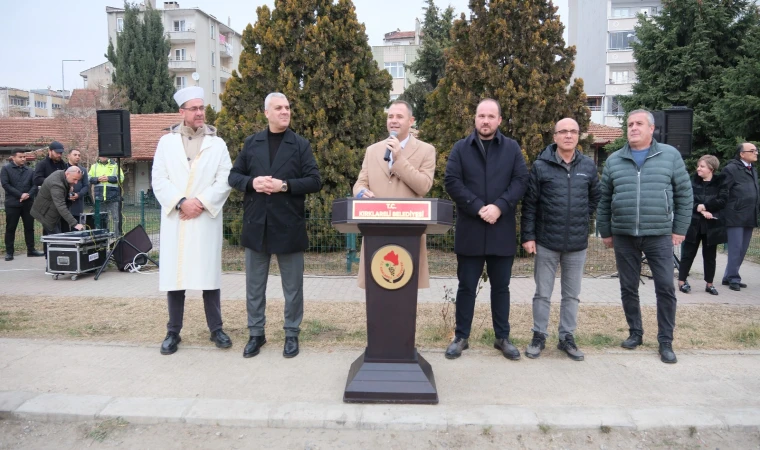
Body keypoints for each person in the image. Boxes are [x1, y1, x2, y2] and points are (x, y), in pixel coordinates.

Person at [229, 92, 322, 359]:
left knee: (293, 288)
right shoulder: (252, 143)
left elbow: (315, 180)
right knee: (254, 286)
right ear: (266, 113)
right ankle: (256, 333)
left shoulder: (300, 144)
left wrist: (285, 186)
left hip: (288, 226)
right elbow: (234, 176)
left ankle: (291, 334)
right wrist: (252, 183)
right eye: (279, 108)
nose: (285, 112)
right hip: (256, 225)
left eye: (288, 107)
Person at [597, 109, 692, 364]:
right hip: (624, 235)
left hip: (658, 234)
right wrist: (605, 231)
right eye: (629, 124)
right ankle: (635, 333)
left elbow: (684, 193)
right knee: (628, 287)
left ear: (652, 129)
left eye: (639, 123)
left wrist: (680, 228)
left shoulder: (670, 156)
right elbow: (604, 199)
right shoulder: (615, 160)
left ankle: (665, 341)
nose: (633, 128)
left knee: (664, 287)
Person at [443, 98, 529, 360]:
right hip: (471, 229)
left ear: (499, 120)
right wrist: (479, 206)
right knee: (466, 286)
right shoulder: (461, 148)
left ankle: (502, 337)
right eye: (481, 115)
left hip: (501, 230)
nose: (486, 121)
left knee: (501, 287)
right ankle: (461, 337)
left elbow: (521, 180)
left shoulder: (512, 149)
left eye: (491, 116)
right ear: (475, 118)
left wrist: (500, 206)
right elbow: (452, 181)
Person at [151, 86, 234, 356]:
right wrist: (180, 202)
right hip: (177, 217)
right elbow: (159, 179)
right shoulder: (166, 143)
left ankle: (216, 329)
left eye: (202, 108)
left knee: (209, 276)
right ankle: (173, 331)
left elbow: (225, 180)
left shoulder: (217, 143)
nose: (200, 113)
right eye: (194, 108)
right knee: (176, 278)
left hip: (205, 218)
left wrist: (200, 202)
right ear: (182, 112)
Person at [520, 118, 601, 361]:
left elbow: (596, 197)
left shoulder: (588, 165)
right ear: (554, 136)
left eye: (573, 131)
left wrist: (581, 216)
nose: (568, 135)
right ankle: (539, 335)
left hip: (576, 244)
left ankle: (567, 337)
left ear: (578, 136)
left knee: (572, 295)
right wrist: (529, 236)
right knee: (542, 293)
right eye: (563, 131)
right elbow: (530, 204)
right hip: (546, 241)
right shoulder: (541, 166)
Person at [352, 100, 436, 289]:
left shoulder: (426, 150)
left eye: (399, 116)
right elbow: (360, 183)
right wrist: (360, 192)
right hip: (376, 229)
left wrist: (399, 158)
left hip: (409, 232)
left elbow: (423, 186)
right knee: (377, 285)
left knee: (405, 285)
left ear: (411, 121)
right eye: (390, 116)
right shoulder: (372, 150)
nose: (393, 120)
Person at [677, 155, 727, 296]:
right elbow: (685, 200)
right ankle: (682, 281)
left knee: (710, 256)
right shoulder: (692, 182)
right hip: (694, 224)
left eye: (702, 166)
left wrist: (705, 206)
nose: (698, 169)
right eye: (698, 166)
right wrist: (698, 207)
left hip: (712, 225)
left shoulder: (721, 182)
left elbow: (723, 200)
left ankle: (709, 284)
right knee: (688, 253)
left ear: (711, 168)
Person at [720, 142, 759, 291]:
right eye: (752, 150)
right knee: (736, 248)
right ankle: (733, 278)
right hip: (735, 215)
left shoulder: (752, 169)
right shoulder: (731, 169)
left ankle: (728, 276)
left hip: (749, 214)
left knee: (743, 248)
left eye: (756, 150)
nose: (756, 153)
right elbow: (723, 191)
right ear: (742, 154)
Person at [1, 150, 44, 261]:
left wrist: (28, 195)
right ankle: (9, 252)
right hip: (12, 203)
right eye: (21, 157)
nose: (23, 159)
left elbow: (35, 184)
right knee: (11, 228)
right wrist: (20, 195)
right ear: (13, 157)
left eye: (24, 157)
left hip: (28, 203)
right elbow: (6, 184)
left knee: (29, 227)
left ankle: (31, 250)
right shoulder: (6, 169)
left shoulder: (30, 170)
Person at [30, 168, 85, 241]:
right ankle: (50, 252)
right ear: (67, 174)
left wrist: (68, 189)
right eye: (74, 179)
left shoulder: (61, 174)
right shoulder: (56, 184)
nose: (76, 182)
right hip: (45, 213)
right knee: (57, 240)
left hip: (53, 211)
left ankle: (47, 252)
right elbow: (61, 206)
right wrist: (75, 224)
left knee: (53, 239)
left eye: (78, 180)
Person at [88, 156, 124, 234]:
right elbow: (89, 178)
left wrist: (108, 178)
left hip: (113, 197)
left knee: (116, 218)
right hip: (99, 198)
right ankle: (103, 236)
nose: (103, 157)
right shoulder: (94, 166)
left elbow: (121, 177)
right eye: (101, 155)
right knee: (101, 219)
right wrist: (97, 179)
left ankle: (118, 236)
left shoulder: (115, 165)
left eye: (105, 155)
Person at [61, 149, 90, 233]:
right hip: (64, 203)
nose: (77, 157)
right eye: (75, 155)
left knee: (76, 229)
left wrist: (78, 194)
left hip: (77, 204)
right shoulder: (63, 169)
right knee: (64, 229)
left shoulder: (83, 170)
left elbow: (86, 186)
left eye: (79, 155)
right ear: (68, 156)